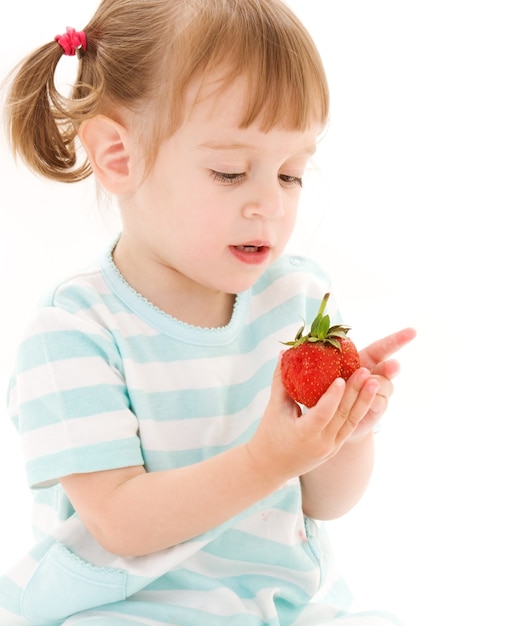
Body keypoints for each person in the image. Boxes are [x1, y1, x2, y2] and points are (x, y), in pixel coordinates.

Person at [0, 0, 416, 624]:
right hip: (129, 607)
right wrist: (265, 460)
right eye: (230, 172)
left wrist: (342, 434)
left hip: (278, 603)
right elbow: (121, 522)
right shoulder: (74, 332)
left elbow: (326, 505)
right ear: (119, 156)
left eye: (291, 174)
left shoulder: (295, 301)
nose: (270, 205)